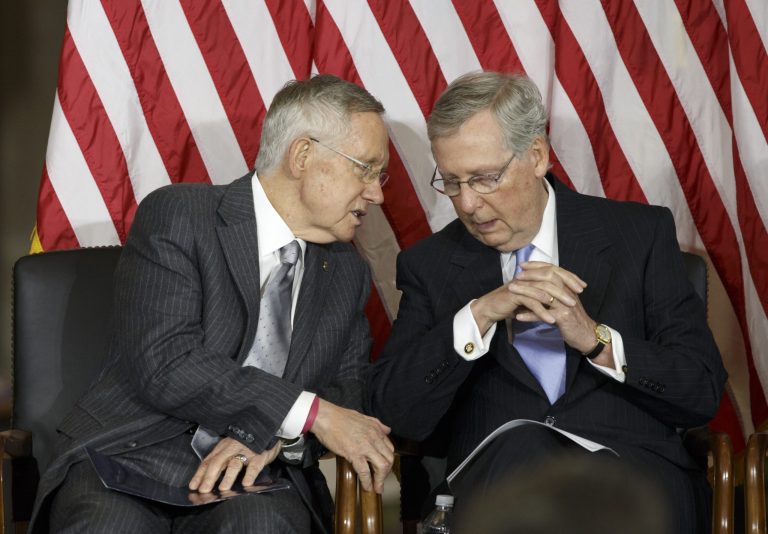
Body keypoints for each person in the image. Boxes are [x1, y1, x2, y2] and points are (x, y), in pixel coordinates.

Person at [30, 74, 394, 534]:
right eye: (364, 168)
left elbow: (347, 391)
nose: (377, 193)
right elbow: (167, 362)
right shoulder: (181, 215)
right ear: (303, 156)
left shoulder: (346, 271)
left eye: (378, 175)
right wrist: (306, 412)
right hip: (130, 455)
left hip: (251, 471)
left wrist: (273, 436)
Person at [368, 71, 727, 533]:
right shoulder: (432, 265)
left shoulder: (638, 236)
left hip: (630, 475)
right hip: (501, 485)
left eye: (484, 178)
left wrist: (596, 340)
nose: (469, 204)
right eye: (453, 183)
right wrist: (476, 317)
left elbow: (700, 391)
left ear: (536, 156)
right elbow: (397, 414)